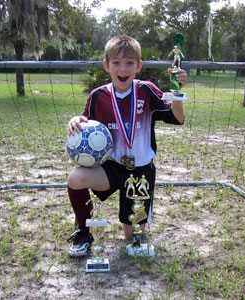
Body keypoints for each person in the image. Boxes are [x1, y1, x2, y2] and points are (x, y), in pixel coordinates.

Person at [66, 35, 187, 257]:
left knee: (132, 237)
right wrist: (75, 120)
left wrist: (177, 93)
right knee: (76, 178)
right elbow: (84, 124)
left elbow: (176, 118)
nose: (123, 69)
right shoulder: (98, 96)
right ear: (107, 66)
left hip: (140, 171)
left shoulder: (146, 90)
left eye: (130, 63)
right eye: (116, 63)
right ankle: (83, 233)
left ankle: (132, 224)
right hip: (111, 167)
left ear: (138, 66)